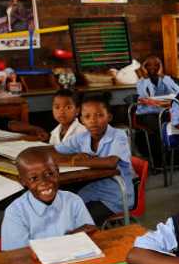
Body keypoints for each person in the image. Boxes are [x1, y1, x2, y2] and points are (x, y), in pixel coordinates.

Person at [52, 92, 134, 224]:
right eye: (87, 116)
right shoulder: (82, 137)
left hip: (115, 197)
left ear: (109, 117)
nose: (93, 121)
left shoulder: (118, 136)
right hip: (91, 190)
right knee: (63, 210)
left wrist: (77, 161)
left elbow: (110, 162)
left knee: (77, 221)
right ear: (81, 120)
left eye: (99, 115)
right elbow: (56, 150)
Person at [0, 147, 96, 251]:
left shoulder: (73, 201)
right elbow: (17, 255)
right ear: (22, 181)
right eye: (33, 178)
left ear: (57, 172)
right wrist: (69, 238)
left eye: (50, 174)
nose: (44, 182)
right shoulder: (15, 212)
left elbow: (90, 234)